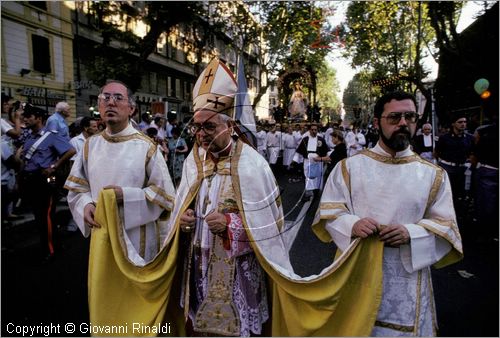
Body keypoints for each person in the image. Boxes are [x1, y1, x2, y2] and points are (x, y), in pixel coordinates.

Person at [312, 91, 463, 336]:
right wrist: (352, 225)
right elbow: (329, 211)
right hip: (357, 270)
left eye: (410, 117)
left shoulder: (434, 175)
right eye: (394, 117)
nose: (403, 123)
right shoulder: (349, 168)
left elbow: (446, 226)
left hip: (408, 275)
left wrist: (412, 233)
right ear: (376, 122)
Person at [171, 58, 290, 336]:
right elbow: (181, 206)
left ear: (229, 126)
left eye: (209, 127)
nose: (201, 135)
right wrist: (184, 219)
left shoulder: (251, 165)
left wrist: (230, 224)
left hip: (238, 265)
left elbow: (271, 226)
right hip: (197, 263)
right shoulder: (193, 162)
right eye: (196, 127)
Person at [64, 80, 177, 331]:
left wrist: (125, 195)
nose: (110, 102)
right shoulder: (89, 146)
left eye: (118, 98)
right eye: (105, 98)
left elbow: (165, 197)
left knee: (135, 303)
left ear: (131, 109)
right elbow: (77, 187)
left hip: (138, 239)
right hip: (102, 235)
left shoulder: (146, 147)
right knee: (105, 295)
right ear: (98, 106)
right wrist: (85, 206)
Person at [20, 104, 76, 260]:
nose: (26, 119)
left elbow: (71, 150)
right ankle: (54, 244)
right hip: (30, 179)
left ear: (38, 118)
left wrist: (54, 166)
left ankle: (49, 249)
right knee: (40, 216)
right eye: (25, 116)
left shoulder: (51, 135)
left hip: (44, 178)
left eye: (29, 116)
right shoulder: (29, 137)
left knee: (45, 215)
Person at [435, 114, 474, 213]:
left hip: (462, 169)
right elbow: (436, 152)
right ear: (453, 124)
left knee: (461, 193)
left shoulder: (469, 138)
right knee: (446, 193)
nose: (463, 124)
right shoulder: (445, 138)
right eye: (460, 122)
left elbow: (472, 152)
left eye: (465, 122)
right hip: (447, 168)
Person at [471, 108, 498, 241]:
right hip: (488, 171)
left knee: (488, 204)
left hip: (487, 171)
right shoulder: (484, 132)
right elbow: (476, 153)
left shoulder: (483, 132)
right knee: (487, 205)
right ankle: (486, 233)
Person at [295, 124, 328, 199]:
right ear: (309, 130)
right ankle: (308, 192)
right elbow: (299, 151)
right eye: (312, 129)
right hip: (308, 161)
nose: (314, 131)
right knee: (308, 176)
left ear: (317, 130)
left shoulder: (321, 139)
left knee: (318, 176)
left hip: (318, 161)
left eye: (315, 130)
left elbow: (325, 150)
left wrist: (324, 158)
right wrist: (295, 161)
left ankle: (316, 191)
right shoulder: (305, 139)